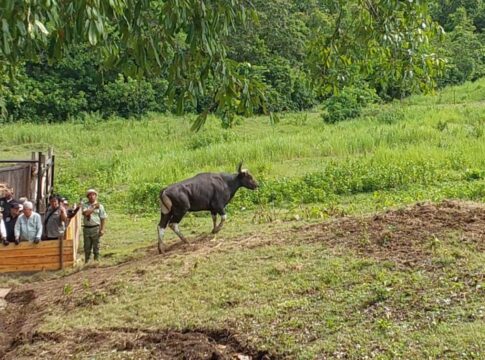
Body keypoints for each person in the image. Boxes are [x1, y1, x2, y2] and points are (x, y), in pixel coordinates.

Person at [82, 189, 107, 262]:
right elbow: (86, 213)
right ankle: (87, 262)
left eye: (93, 195)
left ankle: (97, 262)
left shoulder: (100, 206)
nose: (91, 196)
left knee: (96, 246)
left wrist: (102, 229)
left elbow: (103, 218)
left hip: (95, 228)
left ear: (96, 196)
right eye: (90, 195)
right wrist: (94, 207)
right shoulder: (85, 205)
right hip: (86, 228)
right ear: (87, 197)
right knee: (87, 247)